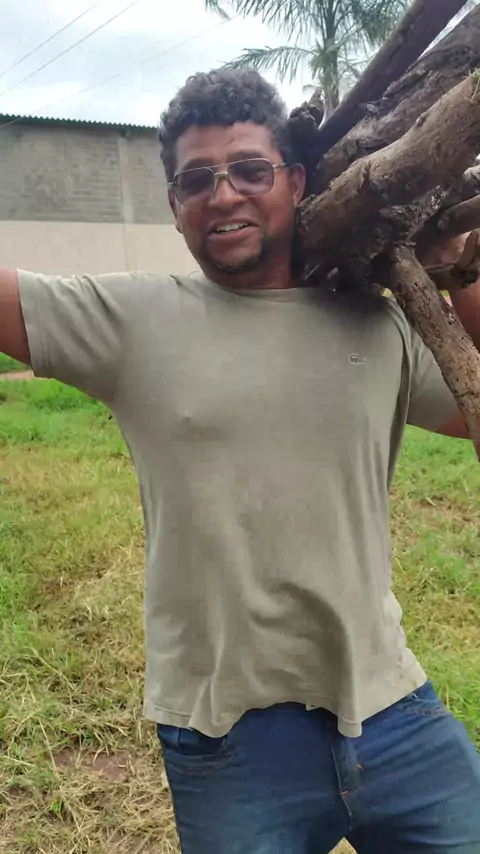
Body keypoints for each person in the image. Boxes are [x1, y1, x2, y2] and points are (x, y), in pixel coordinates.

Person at [1, 68, 480, 854]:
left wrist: (461, 264)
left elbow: (472, 403)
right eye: (197, 180)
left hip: (391, 707)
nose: (223, 195)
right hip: (226, 738)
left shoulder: (376, 323)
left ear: (295, 182)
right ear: (175, 207)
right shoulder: (134, 319)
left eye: (250, 170)